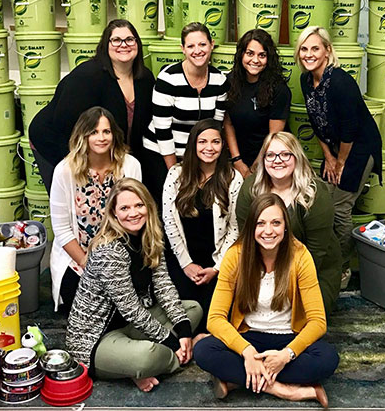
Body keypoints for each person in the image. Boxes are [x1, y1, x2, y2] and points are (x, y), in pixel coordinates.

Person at [194, 193, 339, 406]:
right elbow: (215, 318)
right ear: (251, 227)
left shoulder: (300, 255)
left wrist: (285, 356)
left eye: (276, 223)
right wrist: (248, 353)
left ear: (286, 226)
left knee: (328, 358)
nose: (268, 231)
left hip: (287, 337)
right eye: (261, 223)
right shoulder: (235, 256)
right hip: (248, 336)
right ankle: (283, 389)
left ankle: (238, 381)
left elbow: (318, 321)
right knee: (204, 350)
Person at [66, 178, 202, 393]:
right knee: (145, 357)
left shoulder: (150, 238)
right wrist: (174, 343)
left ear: (148, 207)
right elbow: (129, 308)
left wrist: (183, 332)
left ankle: (149, 363)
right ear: (114, 213)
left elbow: (163, 286)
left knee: (192, 309)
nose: (133, 213)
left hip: (133, 326)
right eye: (125, 208)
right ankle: (168, 359)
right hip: (97, 340)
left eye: (139, 205)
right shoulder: (109, 251)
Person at [295, 26, 382, 284]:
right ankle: (325, 258)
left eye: (315, 48)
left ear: (327, 51)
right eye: (304, 49)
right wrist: (329, 158)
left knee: (340, 208)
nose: (309, 54)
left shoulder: (341, 82)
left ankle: (343, 267)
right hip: (335, 147)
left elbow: (350, 128)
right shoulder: (306, 80)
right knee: (322, 201)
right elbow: (316, 122)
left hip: (359, 146)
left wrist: (341, 162)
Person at [29, 19, 154, 192]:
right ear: (105, 45)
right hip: (55, 141)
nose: (123, 45)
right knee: (75, 200)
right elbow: (64, 124)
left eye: (130, 39)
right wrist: (79, 167)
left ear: (137, 44)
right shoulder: (87, 76)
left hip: (102, 149)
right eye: (116, 40)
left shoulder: (145, 79)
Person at [236, 132, 341, 316]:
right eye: (270, 155)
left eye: (285, 154)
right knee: (245, 314)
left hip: (312, 267)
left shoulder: (315, 193)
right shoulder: (251, 188)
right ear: (263, 159)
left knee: (302, 318)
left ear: (297, 158)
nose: (278, 160)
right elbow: (245, 240)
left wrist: (286, 285)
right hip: (263, 265)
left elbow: (317, 252)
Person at [50, 107, 142, 313]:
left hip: (120, 255)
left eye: (106, 132)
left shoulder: (130, 166)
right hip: (78, 258)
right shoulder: (64, 171)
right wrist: (88, 265)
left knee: (125, 309)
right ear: (83, 136)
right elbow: (61, 229)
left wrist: (114, 265)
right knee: (85, 310)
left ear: (114, 134)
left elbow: (136, 218)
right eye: (94, 132)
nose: (101, 138)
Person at [163, 119, 243, 332]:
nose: (209, 148)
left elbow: (235, 229)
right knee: (182, 314)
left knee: (212, 320)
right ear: (193, 145)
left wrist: (216, 268)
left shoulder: (233, 178)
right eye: (203, 142)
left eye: (215, 142)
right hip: (181, 258)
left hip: (217, 262)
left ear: (223, 145)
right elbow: (169, 222)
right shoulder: (176, 174)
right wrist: (186, 264)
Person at [142, 22, 228, 202]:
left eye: (202, 44)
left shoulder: (219, 80)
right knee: (168, 204)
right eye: (191, 46)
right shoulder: (168, 79)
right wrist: (175, 173)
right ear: (183, 49)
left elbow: (216, 127)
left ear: (211, 44)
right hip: (161, 153)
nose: (197, 50)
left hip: (197, 154)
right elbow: (162, 131)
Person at [224, 29, 291, 177]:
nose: (255, 60)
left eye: (262, 55)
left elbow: (274, 135)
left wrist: (256, 166)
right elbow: (228, 123)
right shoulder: (230, 81)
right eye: (250, 53)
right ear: (241, 54)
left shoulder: (278, 89)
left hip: (271, 159)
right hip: (238, 158)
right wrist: (237, 160)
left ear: (269, 59)